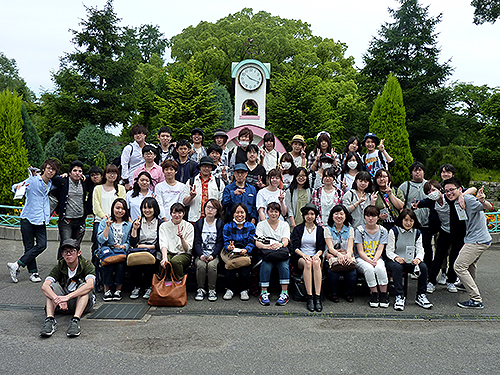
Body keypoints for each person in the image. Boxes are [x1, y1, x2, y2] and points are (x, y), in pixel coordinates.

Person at [8, 159, 61, 283]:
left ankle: (17, 264)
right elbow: (16, 187)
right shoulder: (32, 180)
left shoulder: (51, 183)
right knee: (29, 246)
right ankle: (34, 273)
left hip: (41, 219)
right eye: (48, 168)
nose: (50, 171)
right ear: (43, 168)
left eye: (53, 169)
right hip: (28, 217)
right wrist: (17, 187)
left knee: (42, 245)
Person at [415, 179, 467, 295]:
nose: (431, 193)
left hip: (458, 233)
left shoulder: (450, 197)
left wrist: (462, 196)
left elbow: (470, 190)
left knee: (454, 257)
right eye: (428, 191)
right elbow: (421, 203)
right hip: (444, 232)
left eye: (434, 190)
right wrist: (416, 204)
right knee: (438, 257)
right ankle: (432, 281)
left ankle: (451, 281)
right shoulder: (431, 201)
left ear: (440, 189)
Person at [39, 239, 95, 338]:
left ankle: (75, 320)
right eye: (65, 252)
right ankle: (50, 320)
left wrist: (67, 297)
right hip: (61, 304)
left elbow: (90, 285)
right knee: (50, 288)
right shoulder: (59, 266)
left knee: (84, 288)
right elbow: (45, 286)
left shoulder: (87, 265)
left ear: (78, 253)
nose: (68, 254)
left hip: (81, 303)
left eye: (71, 251)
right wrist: (57, 299)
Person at [385, 209, 433, 311]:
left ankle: (421, 295)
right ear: (401, 220)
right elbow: (389, 251)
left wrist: (418, 259)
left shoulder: (417, 233)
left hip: (410, 261)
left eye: (411, 220)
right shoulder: (394, 231)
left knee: (423, 267)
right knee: (397, 267)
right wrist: (396, 258)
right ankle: (399, 296)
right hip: (395, 260)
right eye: (406, 220)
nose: (408, 223)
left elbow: (420, 249)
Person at [454, 183, 492, 309]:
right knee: (470, 264)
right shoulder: (456, 198)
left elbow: (487, 206)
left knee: (459, 266)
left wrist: (483, 200)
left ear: (459, 189)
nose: (449, 193)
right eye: (446, 190)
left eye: (452, 190)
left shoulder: (468, 199)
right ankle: (466, 285)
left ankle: (476, 299)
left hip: (478, 240)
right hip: (475, 238)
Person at [91, 164, 126, 291]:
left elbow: (123, 204)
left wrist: (115, 218)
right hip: (101, 222)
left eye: (114, 173)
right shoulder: (98, 188)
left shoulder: (120, 188)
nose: (112, 175)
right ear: (105, 174)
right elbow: (96, 206)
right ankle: (99, 280)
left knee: (116, 251)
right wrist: (106, 219)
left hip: (117, 222)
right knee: (99, 250)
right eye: (109, 172)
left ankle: (116, 283)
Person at [290, 203, 325, 312]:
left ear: (315, 216)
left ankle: (317, 297)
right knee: (308, 263)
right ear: (303, 216)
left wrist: (316, 256)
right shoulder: (298, 229)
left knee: (315, 262)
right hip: (301, 256)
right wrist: (304, 255)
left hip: (315, 256)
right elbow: (295, 247)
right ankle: (309, 297)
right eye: (307, 214)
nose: (309, 216)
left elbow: (321, 247)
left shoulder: (320, 230)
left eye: (312, 214)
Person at [255, 202, 291, 306]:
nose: (273, 214)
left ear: (279, 213)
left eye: (276, 211)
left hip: (280, 251)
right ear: (267, 212)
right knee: (266, 265)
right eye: (271, 211)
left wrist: (279, 245)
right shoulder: (261, 224)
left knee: (283, 265)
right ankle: (264, 292)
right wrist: (267, 247)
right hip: (267, 252)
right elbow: (257, 242)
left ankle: (284, 293)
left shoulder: (284, 225)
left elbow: (285, 241)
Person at [354, 205, 389, 308]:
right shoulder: (359, 230)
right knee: (369, 269)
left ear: (378, 217)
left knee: (380, 268)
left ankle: (383, 294)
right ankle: (374, 294)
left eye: (374, 216)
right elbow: (360, 250)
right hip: (362, 258)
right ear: (364, 216)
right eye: (368, 216)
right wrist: (369, 261)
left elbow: (380, 248)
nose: (370, 218)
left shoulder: (383, 231)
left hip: (376, 257)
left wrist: (375, 259)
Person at [51, 160, 88, 258]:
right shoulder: (63, 181)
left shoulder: (84, 182)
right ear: (70, 172)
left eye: (80, 171)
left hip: (80, 220)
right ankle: (62, 266)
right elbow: (51, 177)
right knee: (66, 244)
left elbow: (96, 177)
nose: (77, 173)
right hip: (66, 220)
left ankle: (73, 266)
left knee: (76, 245)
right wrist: (61, 175)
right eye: (75, 170)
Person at [398, 161, 432, 266]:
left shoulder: (429, 185)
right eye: (415, 170)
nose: (417, 173)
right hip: (411, 223)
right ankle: (412, 267)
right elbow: (400, 203)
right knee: (411, 247)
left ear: (424, 172)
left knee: (427, 247)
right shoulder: (405, 186)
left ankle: (427, 270)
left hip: (427, 223)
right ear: (411, 173)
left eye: (420, 170)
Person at [97, 198, 132, 302]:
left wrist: (123, 246)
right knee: (108, 263)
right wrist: (107, 227)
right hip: (108, 250)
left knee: (120, 264)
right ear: (113, 209)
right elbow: (101, 240)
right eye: (117, 208)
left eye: (122, 208)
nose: (120, 211)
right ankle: (106, 290)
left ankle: (118, 290)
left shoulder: (128, 224)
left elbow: (130, 241)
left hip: (121, 251)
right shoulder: (104, 221)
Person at [129, 197, 161, 300]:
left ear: (155, 209)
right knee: (134, 263)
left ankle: (148, 287)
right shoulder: (138, 222)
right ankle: (137, 286)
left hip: (154, 250)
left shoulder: (160, 223)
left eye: (150, 208)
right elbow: (133, 243)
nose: (147, 210)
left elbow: (161, 244)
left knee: (149, 264)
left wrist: (146, 247)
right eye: (144, 208)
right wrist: (134, 229)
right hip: (138, 250)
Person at [222, 203, 256, 301]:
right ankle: (229, 289)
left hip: (245, 254)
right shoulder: (227, 226)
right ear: (233, 213)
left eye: (242, 212)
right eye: (237, 212)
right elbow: (226, 242)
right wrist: (229, 247)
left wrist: (246, 249)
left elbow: (251, 241)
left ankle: (244, 290)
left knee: (245, 271)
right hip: (231, 254)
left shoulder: (250, 226)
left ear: (246, 214)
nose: (239, 215)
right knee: (229, 270)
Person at [193, 199, 224, 301]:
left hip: (214, 254)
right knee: (201, 265)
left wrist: (213, 255)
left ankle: (212, 289)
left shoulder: (219, 224)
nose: (210, 210)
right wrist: (201, 254)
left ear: (217, 211)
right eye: (208, 207)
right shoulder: (199, 223)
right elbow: (197, 242)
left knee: (212, 266)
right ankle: (200, 289)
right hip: (201, 253)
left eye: (213, 208)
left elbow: (219, 243)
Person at [324, 205, 357, 303]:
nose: (339, 216)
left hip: (347, 255)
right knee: (332, 273)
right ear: (332, 216)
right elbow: (330, 248)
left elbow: (350, 247)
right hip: (333, 257)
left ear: (346, 216)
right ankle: (333, 294)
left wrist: (347, 255)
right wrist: (339, 255)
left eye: (341, 214)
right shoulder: (327, 229)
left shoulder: (350, 229)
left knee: (352, 273)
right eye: (336, 214)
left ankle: (348, 293)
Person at [183, 156, 225, 223]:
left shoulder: (219, 182)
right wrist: (191, 197)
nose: (206, 168)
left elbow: (221, 204)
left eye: (209, 166)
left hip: (212, 220)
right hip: (194, 219)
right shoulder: (191, 181)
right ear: (200, 167)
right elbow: (184, 202)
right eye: (204, 166)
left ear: (212, 168)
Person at [159, 203, 194, 280]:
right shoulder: (164, 226)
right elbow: (163, 243)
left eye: (180, 213)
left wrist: (182, 238)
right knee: (163, 262)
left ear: (184, 214)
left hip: (184, 254)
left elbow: (187, 249)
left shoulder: (189, 226)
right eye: (174, 213)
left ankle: (179, 283)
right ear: (170, 213)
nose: (177, 215)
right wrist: (164, 258)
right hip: (168, 252)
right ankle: (164, 283)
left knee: (175, 261)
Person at [121, 124, 149, 191]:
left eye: (140, 133)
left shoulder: (150, 147)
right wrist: (126, 181)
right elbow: (124, 164)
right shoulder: (129, 148)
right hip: (132, 179)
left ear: (145, 134)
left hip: (148, 179)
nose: (138, 135)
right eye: (135, 134)